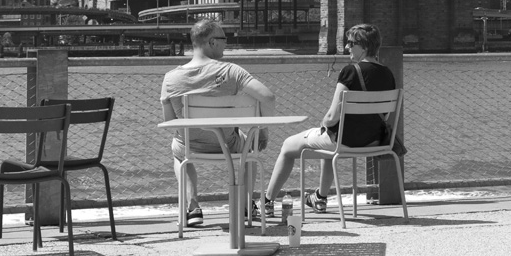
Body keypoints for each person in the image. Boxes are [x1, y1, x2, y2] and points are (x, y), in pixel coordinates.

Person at [263, 23, 395, 215]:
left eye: (351, 43)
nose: (347, 47)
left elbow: (332, 117)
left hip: (344, 142)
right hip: (374, 142)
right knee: (329, 138)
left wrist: (324, 124)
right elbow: (385, 116)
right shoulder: (388, 74)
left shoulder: (351, 71)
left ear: (364, 46)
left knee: (287, 146)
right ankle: (320, 199)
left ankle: (267, 202)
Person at [161, 18, 275, 227]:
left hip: (190, 146)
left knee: (177, 149)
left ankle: (193, 206)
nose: (226, 43)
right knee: (249, 144)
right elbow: (267, 98)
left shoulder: (171, 78)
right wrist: (263, 131)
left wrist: (195, 132)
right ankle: (244, 204)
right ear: (212, 42)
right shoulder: (231, 71)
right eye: (224, 39)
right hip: (228, 144)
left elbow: (169, 123)